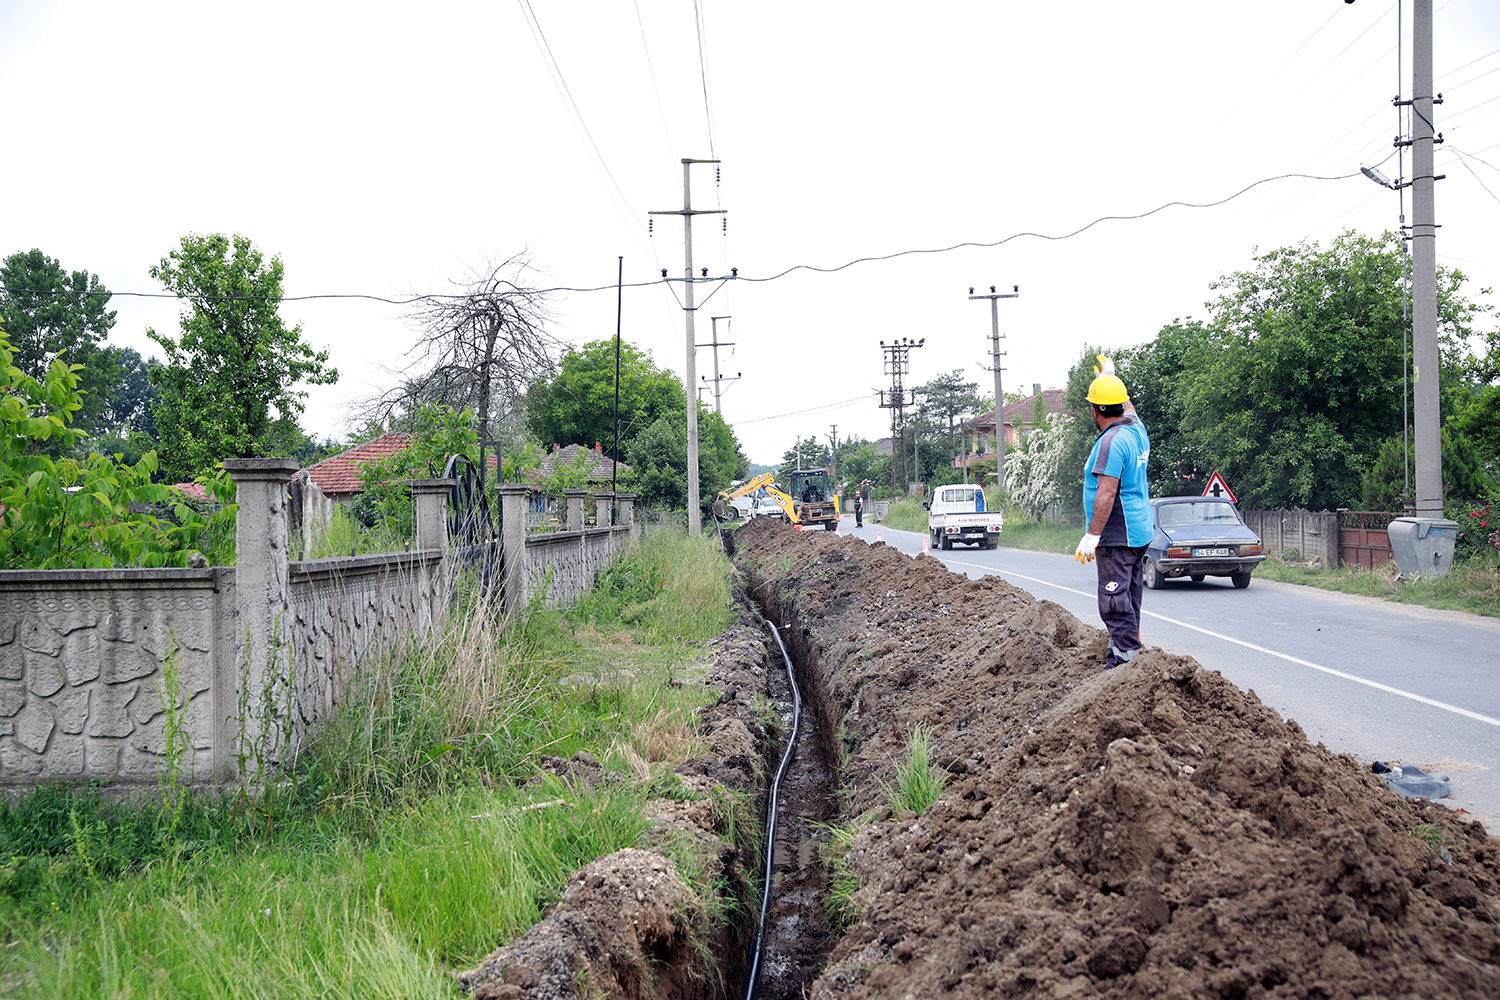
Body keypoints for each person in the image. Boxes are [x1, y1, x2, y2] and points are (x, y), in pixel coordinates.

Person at [1074, 355, 1152, 669]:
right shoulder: (1136, 429)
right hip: (1139, 531)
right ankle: (1121, 655)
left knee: (1114, 604)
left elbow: (1106, 493)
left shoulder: (1111, 443)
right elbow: (1129, 408)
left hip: (1117, 535)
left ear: (1094, 411)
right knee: (1130, 599)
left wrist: (1093, 535)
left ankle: (1125, 668)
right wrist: (1112, 379)